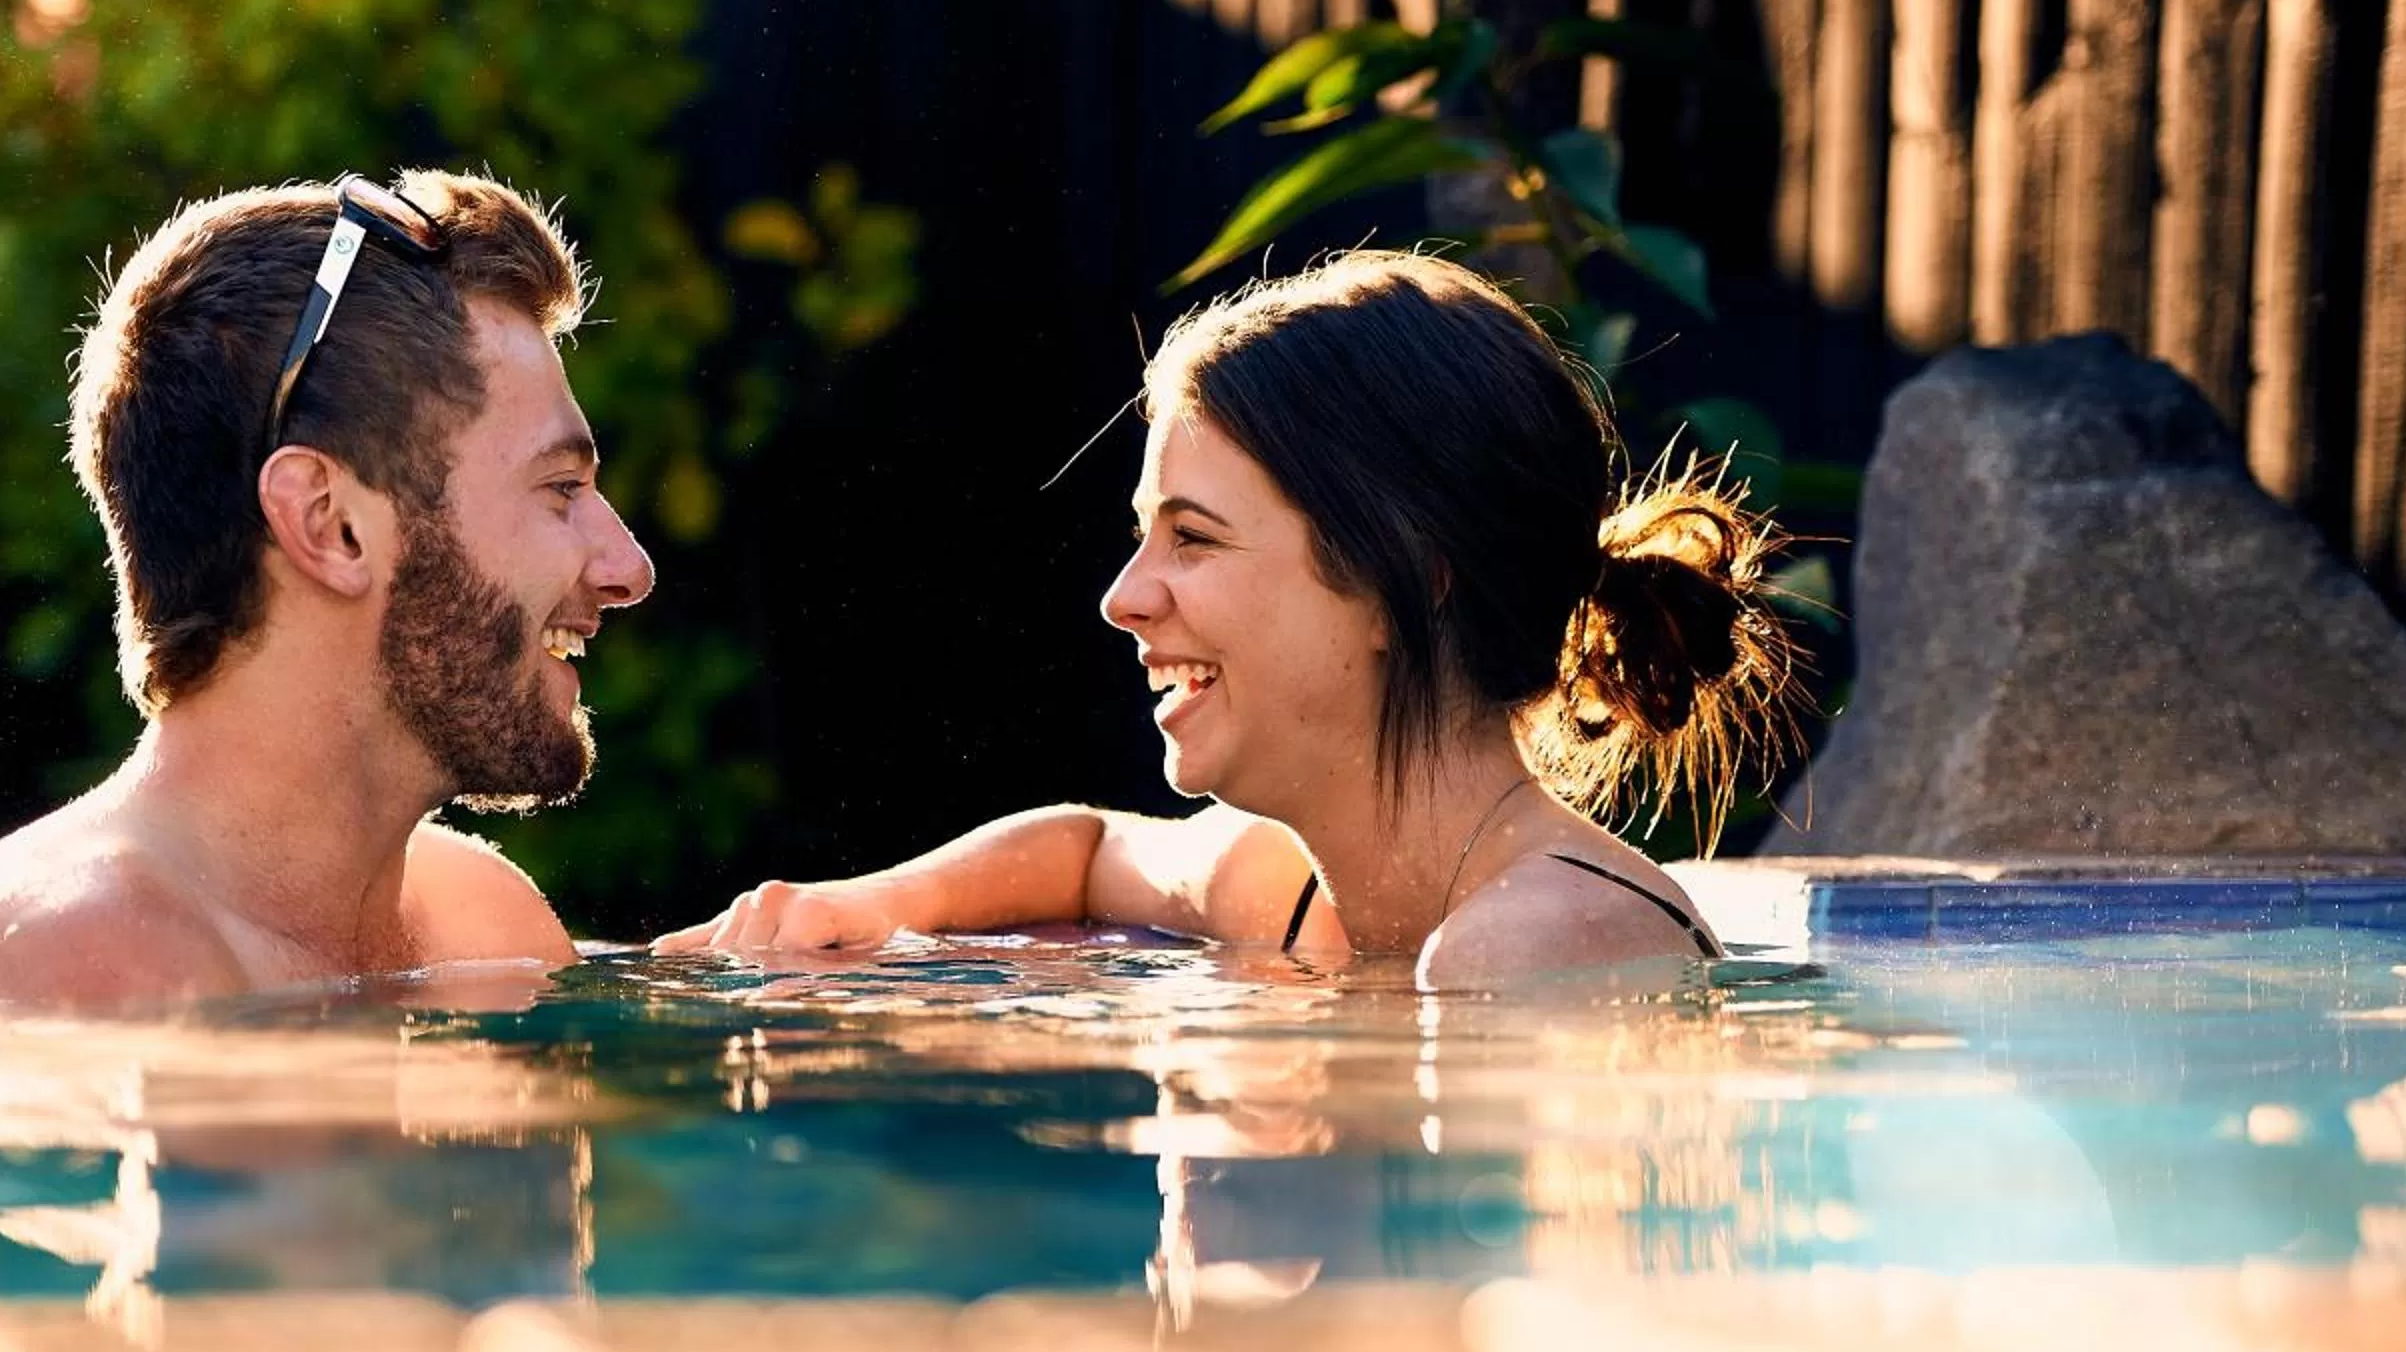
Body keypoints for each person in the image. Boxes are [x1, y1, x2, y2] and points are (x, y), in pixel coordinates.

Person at [655, 251, 1798, 988]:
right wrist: (866, 907)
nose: (1123, 595)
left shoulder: (1530, 945)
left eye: (1192, 537)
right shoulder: (1291, 881)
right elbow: (1088, 848)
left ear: (1411, 578)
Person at [0, 171, 653, 1015]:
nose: (628, 568)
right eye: (559, 487)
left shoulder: (483, 929)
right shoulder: (83, 958)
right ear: (330, 524)